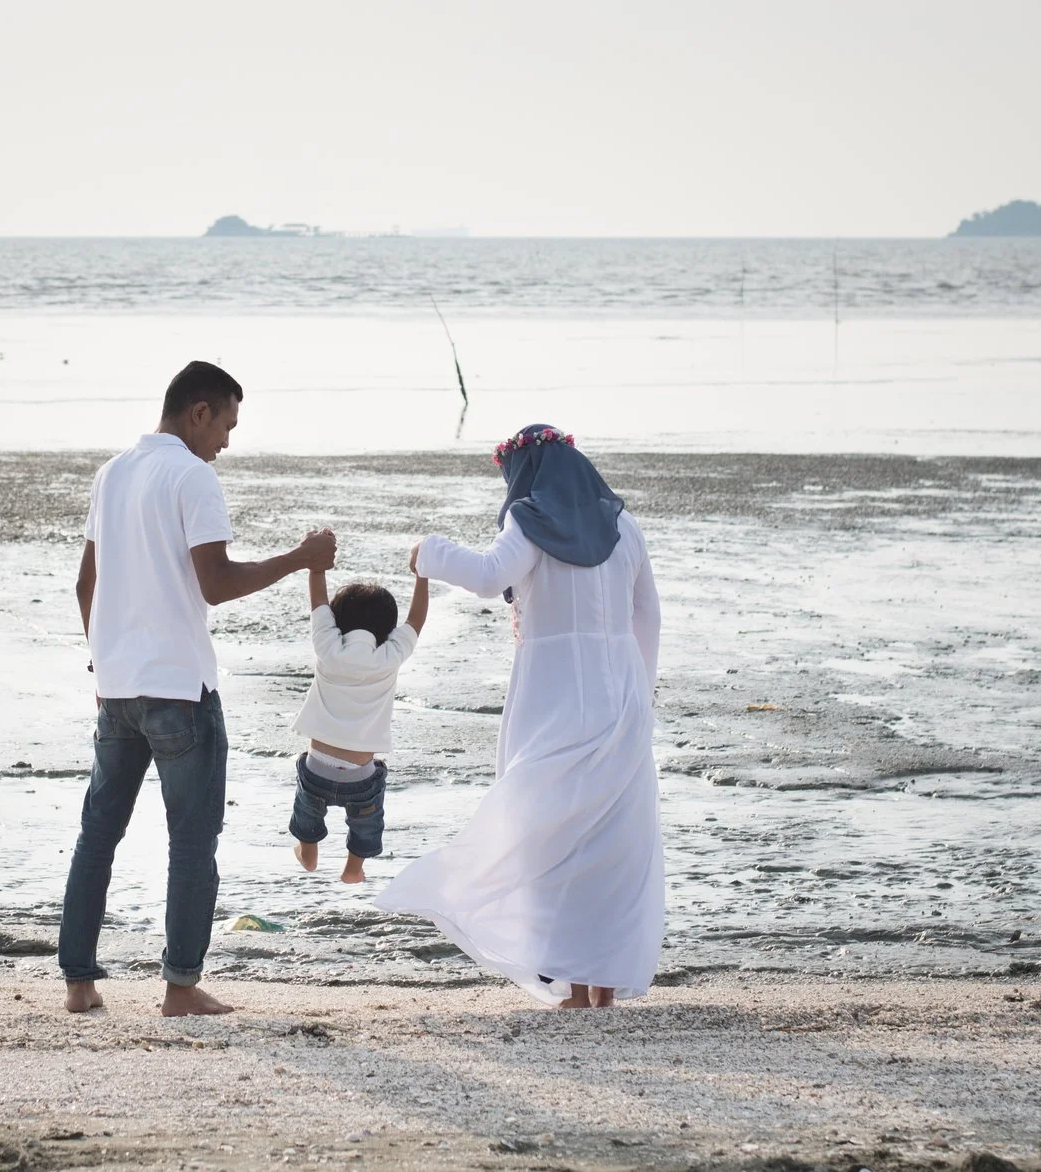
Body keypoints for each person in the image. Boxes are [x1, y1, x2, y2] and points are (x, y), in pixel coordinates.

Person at [57, 360, 336, 1017]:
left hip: (120, 688)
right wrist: (300, 559)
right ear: (198, 411)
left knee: (98, 832)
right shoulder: (192, 474)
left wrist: (104, 665)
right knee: (192, 838)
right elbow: (215, 582)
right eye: (227, 424)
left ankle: (79, 983)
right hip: (180, 687)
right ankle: (180, 986)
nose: (228, 442)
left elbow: (83, 584)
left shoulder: (113, 472)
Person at [378, 424, 663, 1009]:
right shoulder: (623, 526)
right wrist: (642, 693)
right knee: (612, 841)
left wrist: (427, 553)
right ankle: (597, 985)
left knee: (543, 829)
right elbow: (647, 614)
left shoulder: (530, 521)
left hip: (553, 690)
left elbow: (488, 576)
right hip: (621, 690)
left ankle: (567, 975)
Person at [287, 565, 429, 885]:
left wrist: (316, 566)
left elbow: (318, 602)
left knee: (307, 813)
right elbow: (416, 620)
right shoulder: (390, 656)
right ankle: (354, 867)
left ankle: (308, 851)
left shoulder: (327, 647)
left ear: (338, 620)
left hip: (316, 769)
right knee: (367, 821)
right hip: (361, 778)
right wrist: (423, 575)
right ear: (387, 629)